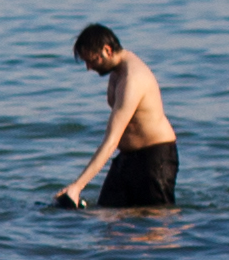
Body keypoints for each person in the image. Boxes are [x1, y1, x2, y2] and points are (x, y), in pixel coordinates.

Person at [55, 23, 179, 208]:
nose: (88, 67)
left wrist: (77, 186)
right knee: (108, 215)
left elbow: (111, 140)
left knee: (156, 223)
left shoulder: (132, 79)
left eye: (92, 60)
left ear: (107, 50)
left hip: (155, 159)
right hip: (127, 158)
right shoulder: (116, 71)